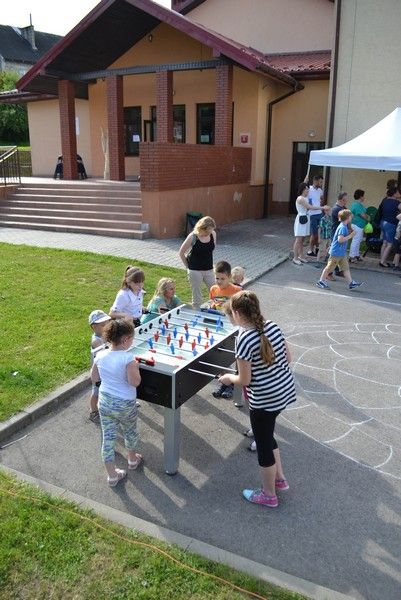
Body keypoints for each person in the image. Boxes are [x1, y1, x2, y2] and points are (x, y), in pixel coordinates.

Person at [218, 291, 296, 507]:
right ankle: (279, 479)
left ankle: (269, 495)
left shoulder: (244, 339)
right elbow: (288, 357)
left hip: (264, 400)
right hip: (283, 391)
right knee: (267, 435)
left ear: (236, 313)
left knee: (263, 446)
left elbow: (244, 379)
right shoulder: (272, 326)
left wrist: (228, 378)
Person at [91, 318, 142, 487]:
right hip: (125, 404)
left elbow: (94, 378)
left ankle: (112, 475)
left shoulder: (100, 355)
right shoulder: (128, 358)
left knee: (108, 438)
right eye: (132, 338)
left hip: (105, 402)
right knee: (130, 431)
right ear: (125, 339)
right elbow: (135, 382)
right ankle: (132, 459)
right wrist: (136, 368)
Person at [209, 262, 241, 400]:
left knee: (235, 356)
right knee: (220, 355)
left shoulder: (237, 290)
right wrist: (211, 306)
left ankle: (234, 383)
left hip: (233, 328)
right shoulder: (213, 289)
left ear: (229, 277)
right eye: (217, 278)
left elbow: (241, 309)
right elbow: (214, 302)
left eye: (223, 278)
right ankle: (224, 382)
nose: (219, 281)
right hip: (219, 327)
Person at [317, 209, 364, 290]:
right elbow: (340, 240)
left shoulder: (343, 226)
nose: (351, 218)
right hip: (337, 252)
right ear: (347, 218)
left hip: (341, 253)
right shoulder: (342, 227)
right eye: (351, 217)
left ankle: (351, 283)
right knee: (329, 268)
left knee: (345, 268)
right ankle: (321, 281)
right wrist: (351, 236)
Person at [179, 216, 216, 308]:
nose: (209, 233)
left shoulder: (213, 234)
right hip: (195, 270)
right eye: (207, 231)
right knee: (197, 296)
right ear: (201, 228)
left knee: (215, 292)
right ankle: (196, 312)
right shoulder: (193, 236)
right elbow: (181, 252)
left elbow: (211, 249)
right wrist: (188, 267)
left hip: (209, 269)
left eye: (211, 230)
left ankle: (215, 310)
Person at [293, 182, 327, 265]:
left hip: (305, 218)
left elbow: (310, 206)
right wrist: (322, 207)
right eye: (307, 189)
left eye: (308, 189)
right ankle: (295, 258)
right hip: (301, 219)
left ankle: (301, 256)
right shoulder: (300, 198)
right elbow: (309, 207)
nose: (308, 190)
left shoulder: (305, 198)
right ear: (303, 189)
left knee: (302, 239)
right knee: (298, 240)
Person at [88, 309, 111, 422]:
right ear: (93, 327)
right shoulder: (96, 341)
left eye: (107, 324)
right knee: (96, 392)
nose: (106, 327)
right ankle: (93, 412)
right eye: (103, 325)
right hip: (98, 372)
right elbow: (104, 355)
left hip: (106, 369)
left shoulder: (105, 335)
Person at [376, 185, 401, 268]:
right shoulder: (397, 203)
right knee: (390, 244)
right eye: (398, 192)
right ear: (394, 193)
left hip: (383, 222)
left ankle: (381, 259)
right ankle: (383, 262)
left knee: (384, 243)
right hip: (391, 224)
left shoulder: (385, 200)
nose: (399, 193)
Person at [329, 191, 348, 279]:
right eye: (345, 200)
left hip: (341, 233)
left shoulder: (342, 208)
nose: (346, 201)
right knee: (334, 256)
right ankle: (329, 273)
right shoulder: (336, 209)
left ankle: (338, 271)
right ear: (342, 200)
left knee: (339, 254)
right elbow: (345, 218)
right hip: (336, 234)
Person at [305, 174, 324, 256]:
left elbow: (321, 199)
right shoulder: (309, 189)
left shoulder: (320, 190)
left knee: (319, 233)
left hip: (319, 213)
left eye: (322, 182)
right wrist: (305, 181)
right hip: (312, 214)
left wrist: (321, 204)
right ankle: (310, 250)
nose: (321, 183)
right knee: (314, 233)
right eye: (320, 182)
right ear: (315, 181)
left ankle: (317, 248)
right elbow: (302, 192)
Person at [349, 189, 370, 263]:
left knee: (358, 240)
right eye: (363, 196)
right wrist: (368, 217)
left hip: (359, 225)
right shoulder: (357, 205)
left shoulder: (358, 204)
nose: (364, 197)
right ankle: (351, 256)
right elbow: (363, 215)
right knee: (356, 240)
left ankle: (356, 255)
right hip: (357, 225)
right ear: (360, 197)